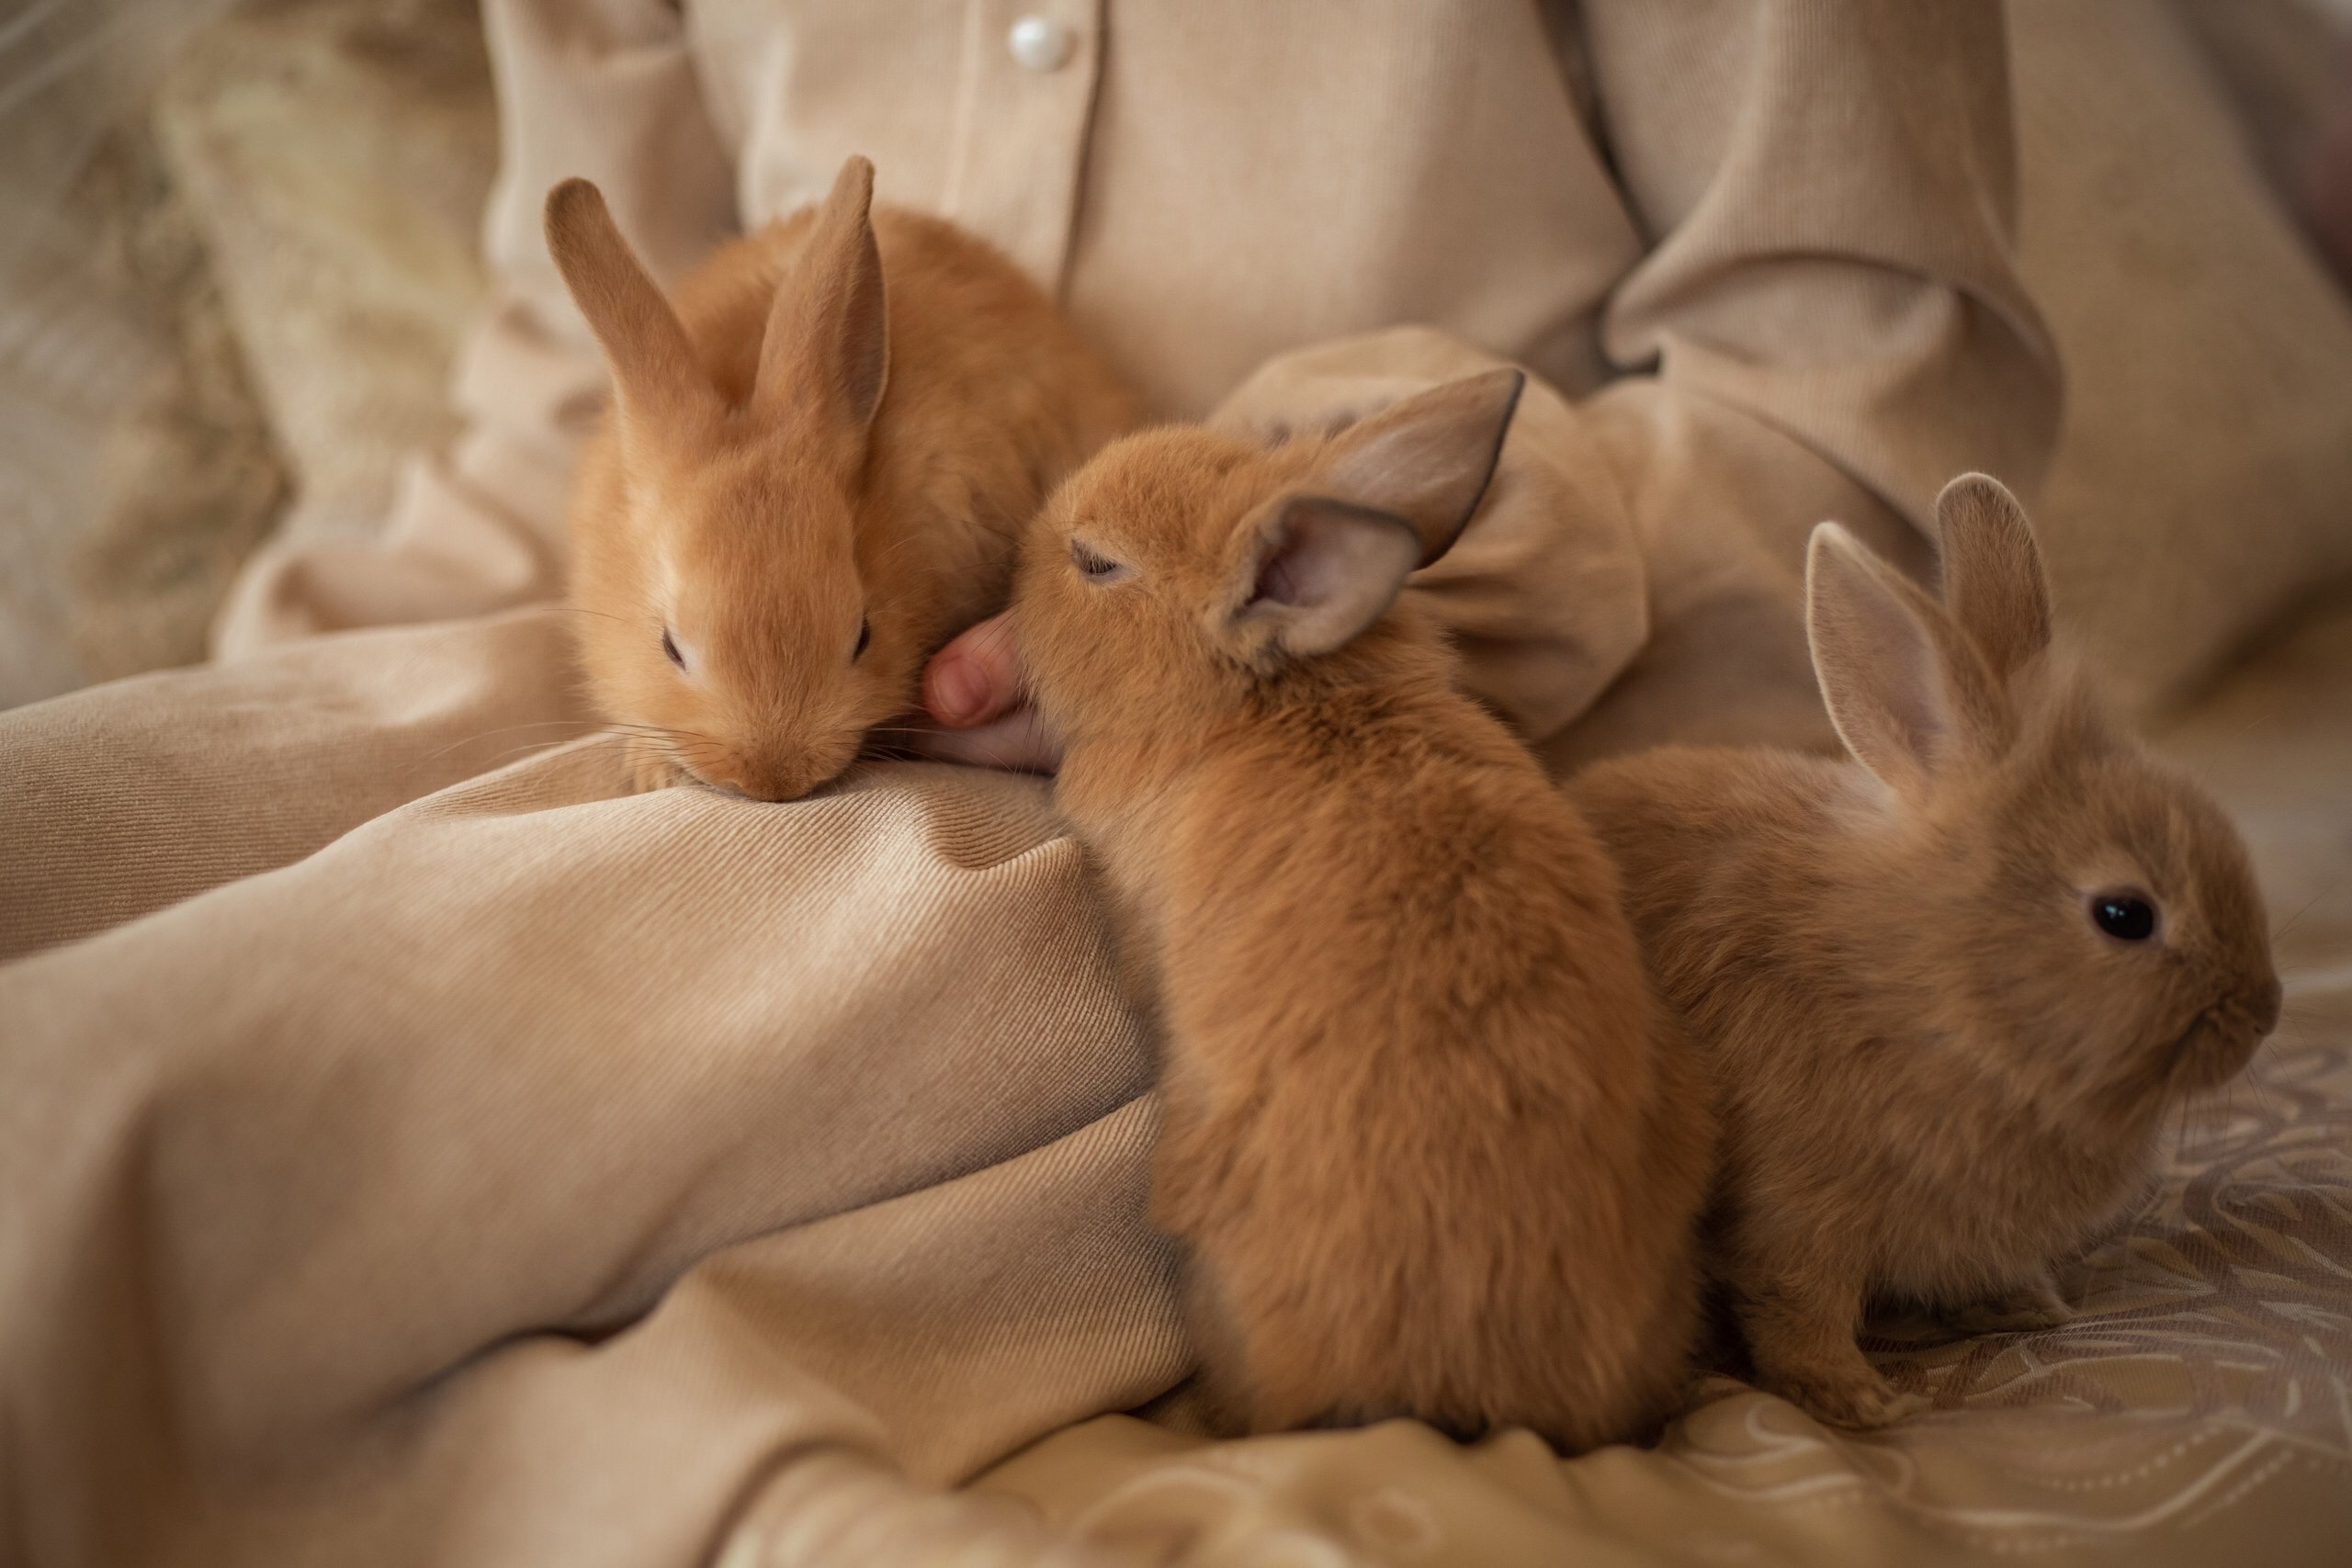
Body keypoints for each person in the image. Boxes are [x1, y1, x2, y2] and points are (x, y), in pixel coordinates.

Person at [0, 5, 2064, 1564]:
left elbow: (1849, 411)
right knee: (81, 828)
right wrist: (287, 691)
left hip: (1232, 757)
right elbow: (585, 387)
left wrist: (1249, 580)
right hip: (714, 634)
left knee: (175, 1114)